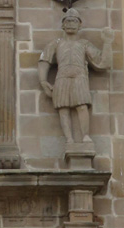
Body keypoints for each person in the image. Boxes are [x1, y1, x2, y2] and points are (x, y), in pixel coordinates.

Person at [38, 8, 114, 145]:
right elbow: (44, 60)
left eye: (74, 21)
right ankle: (69, 139)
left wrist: (107, 42)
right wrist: (44, 81)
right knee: (63, 108)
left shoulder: (84, 44)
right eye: (68, 21)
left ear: (80, 25)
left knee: (82, 106)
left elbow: (103, 63)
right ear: (63, 25)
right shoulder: (56, 44)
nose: (71, 23)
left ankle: (85, 136)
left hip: (80, 77)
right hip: (62, 77)